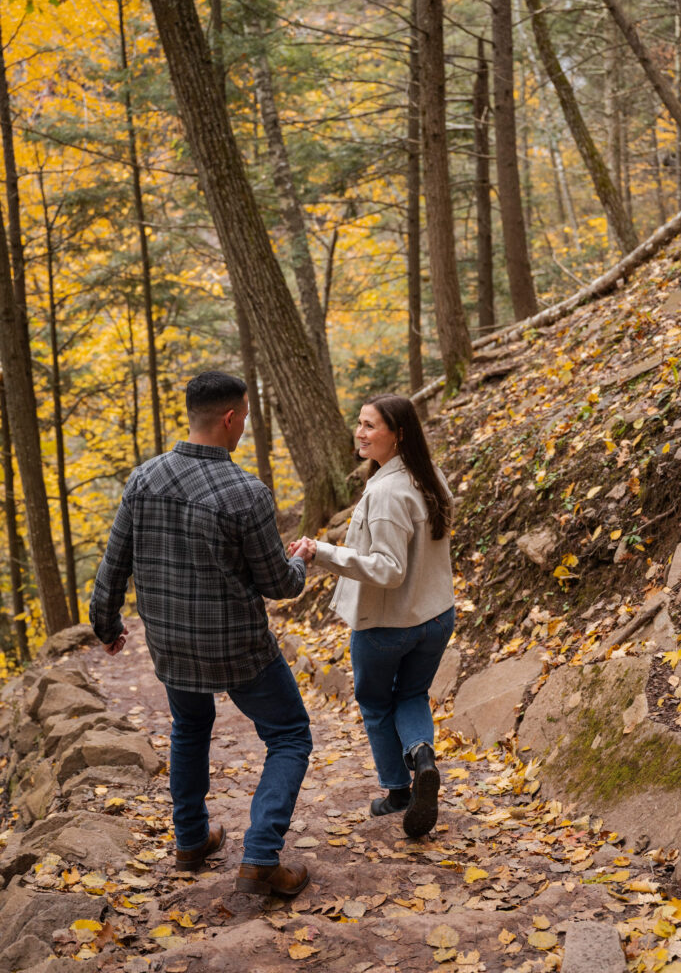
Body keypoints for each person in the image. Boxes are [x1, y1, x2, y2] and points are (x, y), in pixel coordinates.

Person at [90, 371, 312, 898]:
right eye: (245, 419)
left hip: (172, 646)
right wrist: (300, 562)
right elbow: (278, 584)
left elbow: (112, 564)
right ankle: (260, 857)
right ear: (231, 418)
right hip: (240, 649)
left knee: (190, 727)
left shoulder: (143, 479)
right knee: (290, 735)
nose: (244, 428)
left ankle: (191, 841)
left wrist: (107, 624)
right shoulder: (246, 493)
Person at [291, 394, 455, 838]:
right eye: (358, 424)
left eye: (369, 426)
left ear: (398, 434)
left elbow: (388, 569)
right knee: (413, 694)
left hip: (388, 626)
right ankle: (422, 756)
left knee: (377, 704)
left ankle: (399, 792)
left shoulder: (386, 492)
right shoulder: (429, 475)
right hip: (437, 615)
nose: (359, 433)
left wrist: (322, 552)